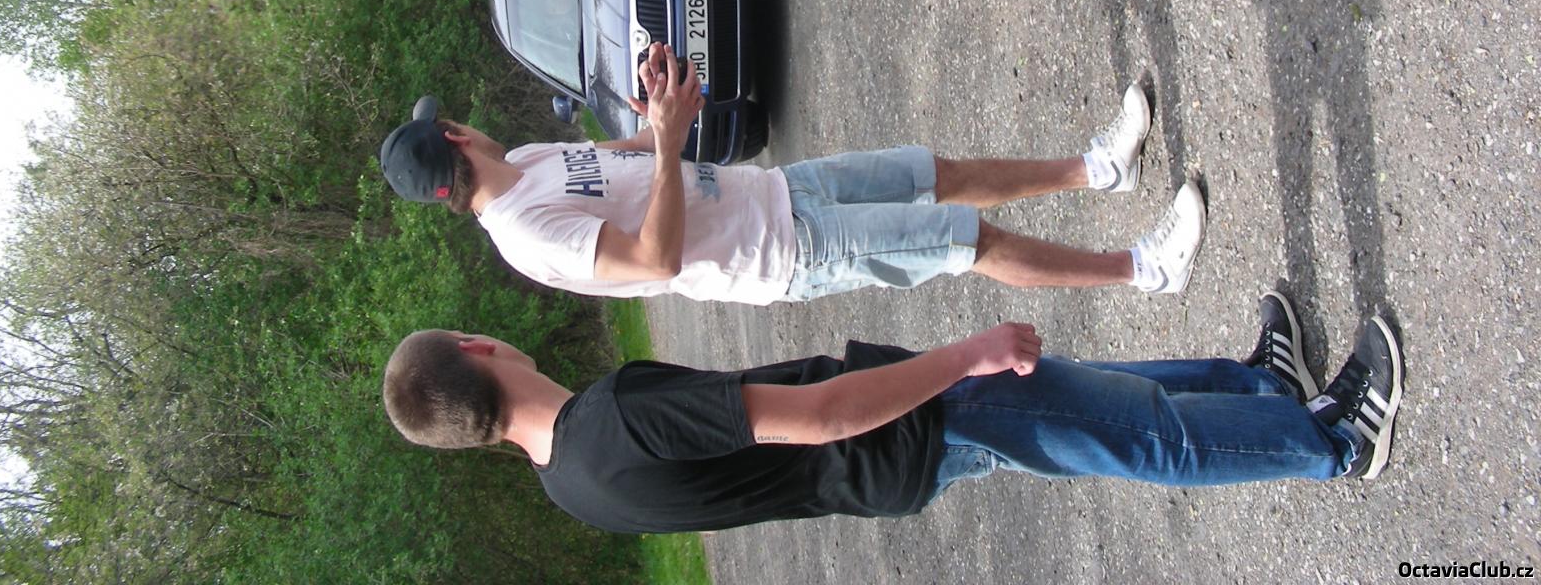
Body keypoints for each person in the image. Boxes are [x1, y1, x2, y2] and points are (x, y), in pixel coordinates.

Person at [380, 290, 1405, 533]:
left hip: (887, 464)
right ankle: (1332, 443)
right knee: (1126, 434)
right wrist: (962, 355)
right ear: (478, 349)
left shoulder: (571, 487)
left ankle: (1257, 388)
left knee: (1088, 394)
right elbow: (819, 414)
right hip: (904, 427)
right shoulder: (611, 418)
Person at [377, 42, 1205, 304]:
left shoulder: (525, 164)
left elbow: (630, 162)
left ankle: (1100, 169)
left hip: (777, 191)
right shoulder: (525, 235)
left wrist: (660, 113)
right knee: (965, 240)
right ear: (454, 136)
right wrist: (667, 146)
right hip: (783, 253)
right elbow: (653, 262)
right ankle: (1145, 270)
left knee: (936, 173)